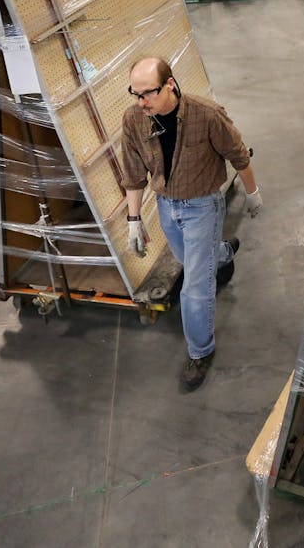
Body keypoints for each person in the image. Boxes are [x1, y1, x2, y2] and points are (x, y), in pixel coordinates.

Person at [120, 56, 262, 392]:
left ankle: (201, 351)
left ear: (169, 85)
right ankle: (224, 253)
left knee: (194, 288)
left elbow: (238, 154)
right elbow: (132, 174)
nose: (141, 102)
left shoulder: (205, 114)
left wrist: (253, 192)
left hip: (203, 207)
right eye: (135, 94)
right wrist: (133, 219)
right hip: (167, 207)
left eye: (148, 94)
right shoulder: (134, 120)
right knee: (192, 259)